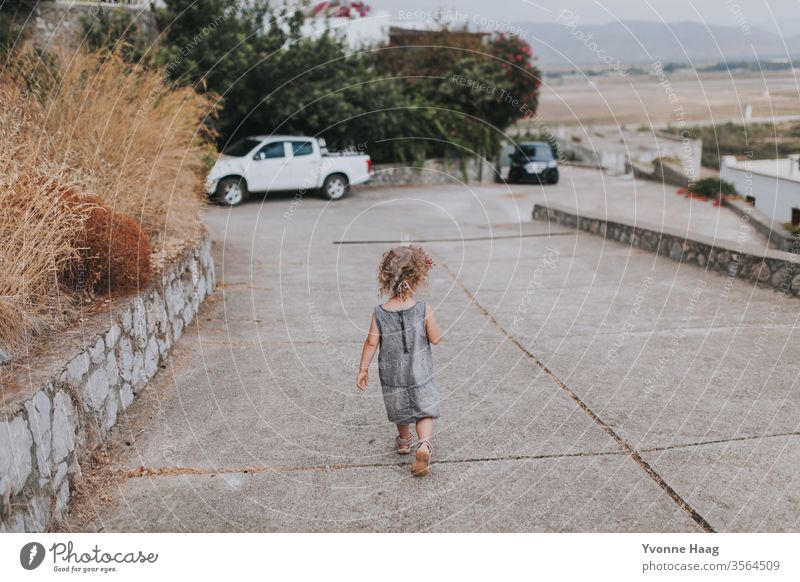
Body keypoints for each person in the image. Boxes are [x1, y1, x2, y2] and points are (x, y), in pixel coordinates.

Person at [356, 244, 442, 477]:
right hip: (420, 373)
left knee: (400, 408)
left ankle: (404, 441)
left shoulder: (380, 312)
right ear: (418, 277)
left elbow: (371, 343)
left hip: (393, 375)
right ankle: (424, 445)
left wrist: (363, 369)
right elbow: (436, 339)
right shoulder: (424, 309)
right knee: (425, 411)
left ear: (386, 278)